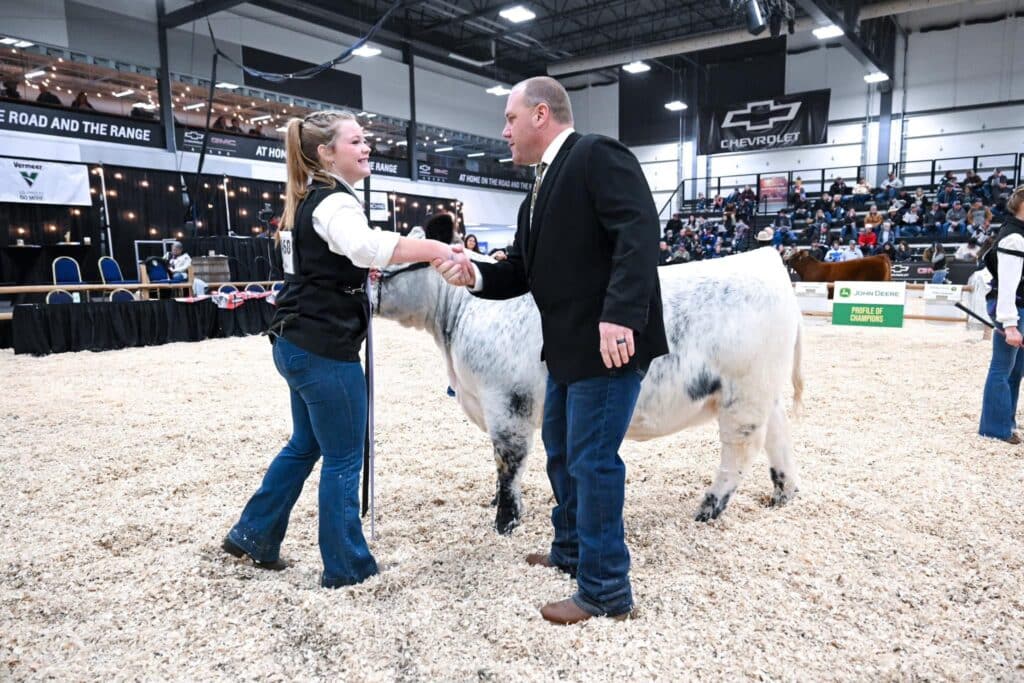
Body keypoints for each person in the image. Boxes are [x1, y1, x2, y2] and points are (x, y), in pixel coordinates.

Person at [433, 76, 667, 625]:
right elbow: (519, 271)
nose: (504, 131)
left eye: (510, 118)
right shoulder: (536, 190)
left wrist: (620, 315)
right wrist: (473, 274)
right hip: (565, 348)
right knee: (561, 451)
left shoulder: (596, 155)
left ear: (541, 114)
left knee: (592, 461)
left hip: (607, 345)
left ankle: (607, 589)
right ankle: (572, 550)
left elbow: (638, 231)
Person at [223, 109, 465, 588]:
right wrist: (436, 249)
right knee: (344, 456)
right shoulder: (334, 202)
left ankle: (253, 534)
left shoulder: (308, 198)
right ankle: (347, 567)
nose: (366, 147)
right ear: (326, 153)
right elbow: (364, 248)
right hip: (324, 349)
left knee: (306, 444)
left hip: (295, 340)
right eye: (355, 141)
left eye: (364, 139)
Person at [979, 186, 1024, 443]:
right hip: (1013, 310)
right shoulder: (1014, 238)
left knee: (1015, 370)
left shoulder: (1019, 234)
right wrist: (1010, 324)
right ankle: (995, 428)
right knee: (1002, 367)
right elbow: (1007, 284)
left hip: (1020, 309)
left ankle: (1007, 421)